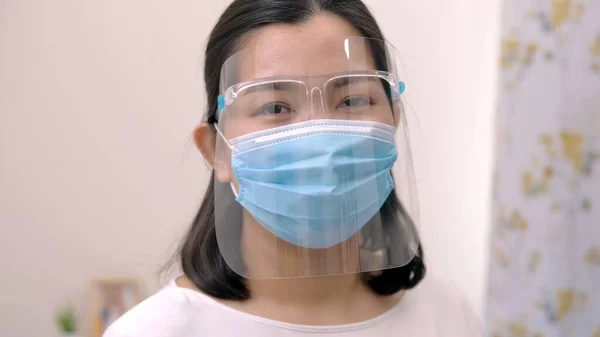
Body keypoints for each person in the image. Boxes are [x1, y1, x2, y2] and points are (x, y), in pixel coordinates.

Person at [104, 0, 483, 336]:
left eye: (352, 99)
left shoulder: (449, 317)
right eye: (275, 108)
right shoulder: (155, 330)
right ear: (217, 149)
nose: (319, 140)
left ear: (392, 123)